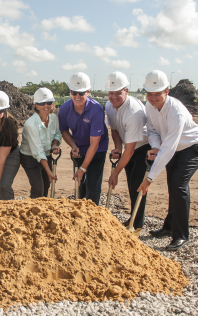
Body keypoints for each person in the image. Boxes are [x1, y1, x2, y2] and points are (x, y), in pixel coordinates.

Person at [137, 70, 198, 251]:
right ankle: (169, 227)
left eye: (157, 94)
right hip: (174, 149)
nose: (153, 98)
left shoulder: (176, 112)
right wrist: (154, 146)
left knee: (178, 185)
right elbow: (152, 130)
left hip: (192, 147)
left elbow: (168, 147)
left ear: (167, 91)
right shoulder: (149, 106)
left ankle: (181, 235)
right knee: (172, 185)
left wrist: (149, 179)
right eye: (150, 94)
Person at [105, 71, 151, 231]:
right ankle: (134, 217)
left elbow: (130, 150)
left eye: (118, 93)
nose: (114, 97)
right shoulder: (109, 106)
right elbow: (115, 130)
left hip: (144, 147)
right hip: (128, 146)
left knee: (136, 185)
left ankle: (137, 225)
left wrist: (115, 173)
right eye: (111, 93)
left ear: (126, 91)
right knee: (132, 183)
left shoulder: (134, 112)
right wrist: (118, 147)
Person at [58, 72, 109, 205]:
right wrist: (73, 146)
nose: (77, 96)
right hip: (79, 148)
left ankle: (92, 215)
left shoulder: (96, 110)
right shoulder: (64, 109)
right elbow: (64, 130)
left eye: (81, 93)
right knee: (79, 184)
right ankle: (80, 214)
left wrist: (83, 168)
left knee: (92, 185)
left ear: (88, 92)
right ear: (70, 92)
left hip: (97, 149)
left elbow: (95, 143)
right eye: (74, 92)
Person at [20, 88, 62, 198]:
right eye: (42, 103)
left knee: (47, 185)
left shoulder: (54, 118)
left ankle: (42, 209)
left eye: (49, 103)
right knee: (38, 188)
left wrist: (55, 144)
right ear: (37, 106)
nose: (46, 106)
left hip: (46, 155)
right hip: (29, 157)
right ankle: (32, 211)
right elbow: (38, 151)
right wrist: (50, 172)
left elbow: (58, 133)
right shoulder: (31, 124)